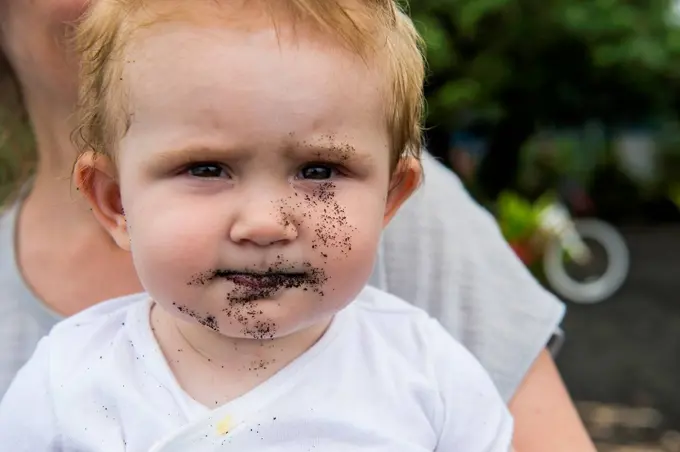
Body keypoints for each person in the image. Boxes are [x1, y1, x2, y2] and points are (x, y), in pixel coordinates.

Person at [0, 0, 596, 450]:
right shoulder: (65, 384)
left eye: (319, 169)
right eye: (206, 168)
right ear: (114, 202)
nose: (265, 224)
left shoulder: (429, 378)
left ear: (391, 199)